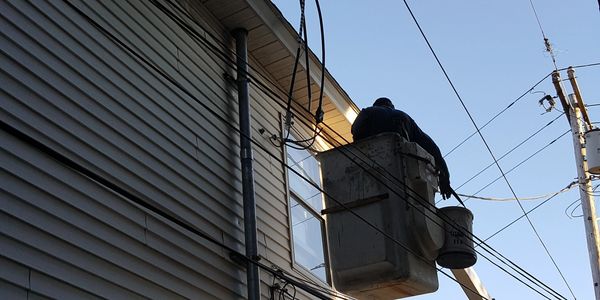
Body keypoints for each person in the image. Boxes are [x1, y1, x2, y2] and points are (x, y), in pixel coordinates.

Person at [351, 97, 454, 200]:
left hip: (372, 168)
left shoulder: (367, 111)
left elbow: (355, 131)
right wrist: (445, 180)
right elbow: (433, 149)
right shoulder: (404, 116)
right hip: (402, 170)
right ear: (391, 107)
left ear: (376, 105)